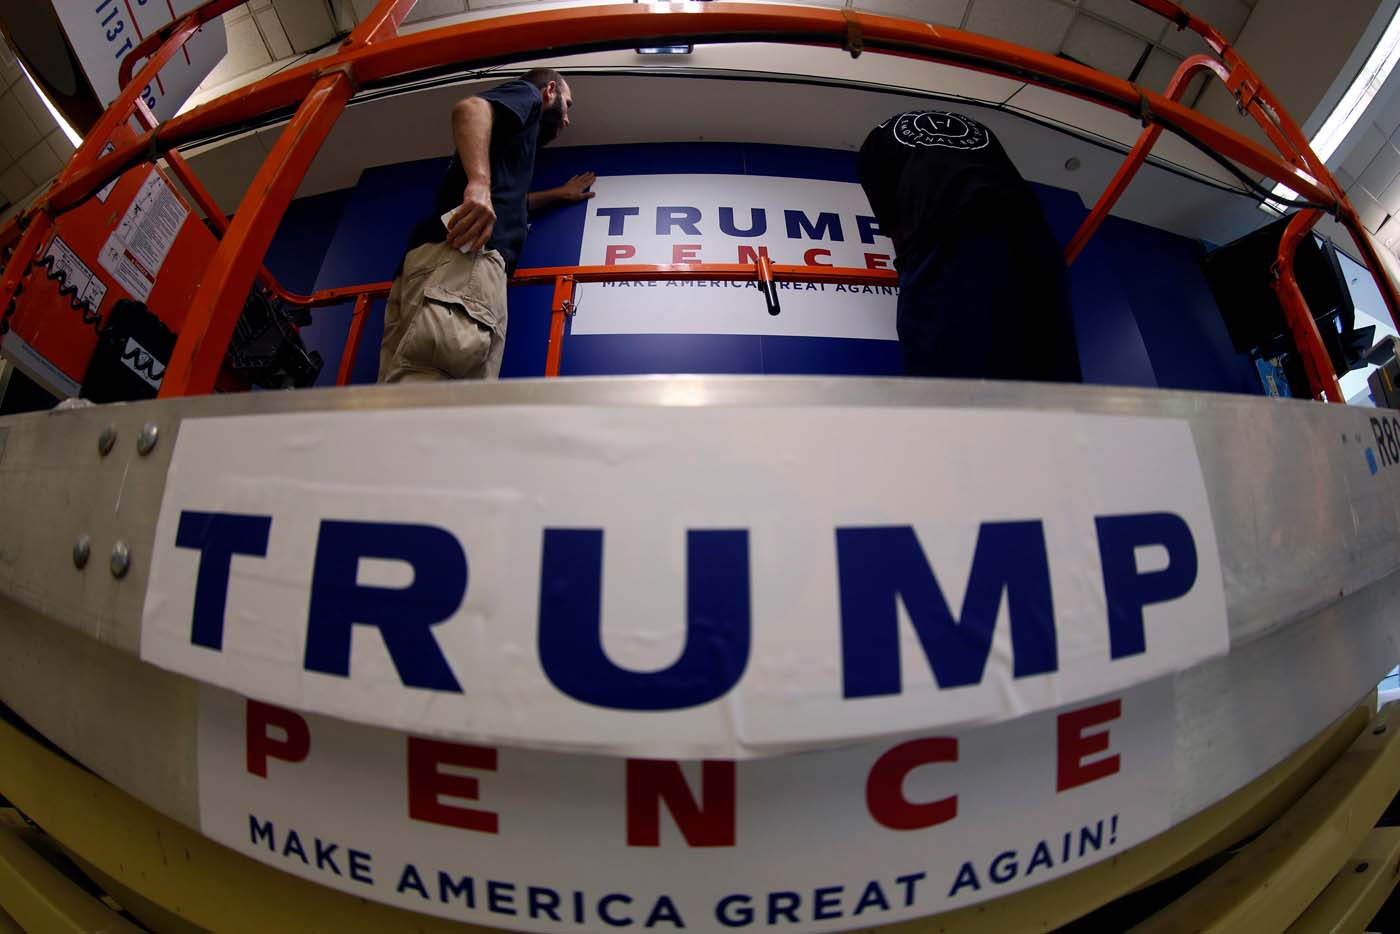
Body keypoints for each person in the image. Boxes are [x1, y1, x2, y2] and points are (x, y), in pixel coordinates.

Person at [379, 68, 595, 382]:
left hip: (431, 265)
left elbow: (508, 199)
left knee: (404, 386)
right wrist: (478, 184)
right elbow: (471, 108)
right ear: (550, 90)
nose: (567, 119)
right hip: (465, 260)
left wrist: (557, 194)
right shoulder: (529, 97)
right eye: (569, 105)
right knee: (443, 394)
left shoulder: (508, 146)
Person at [856, 110, 1082, 382]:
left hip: (946, 233)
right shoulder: (982, 131)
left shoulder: (874, 147)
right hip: (1031, 232)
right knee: (1048, 362)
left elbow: (897, 231)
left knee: (953, 378)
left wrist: (908, 272)